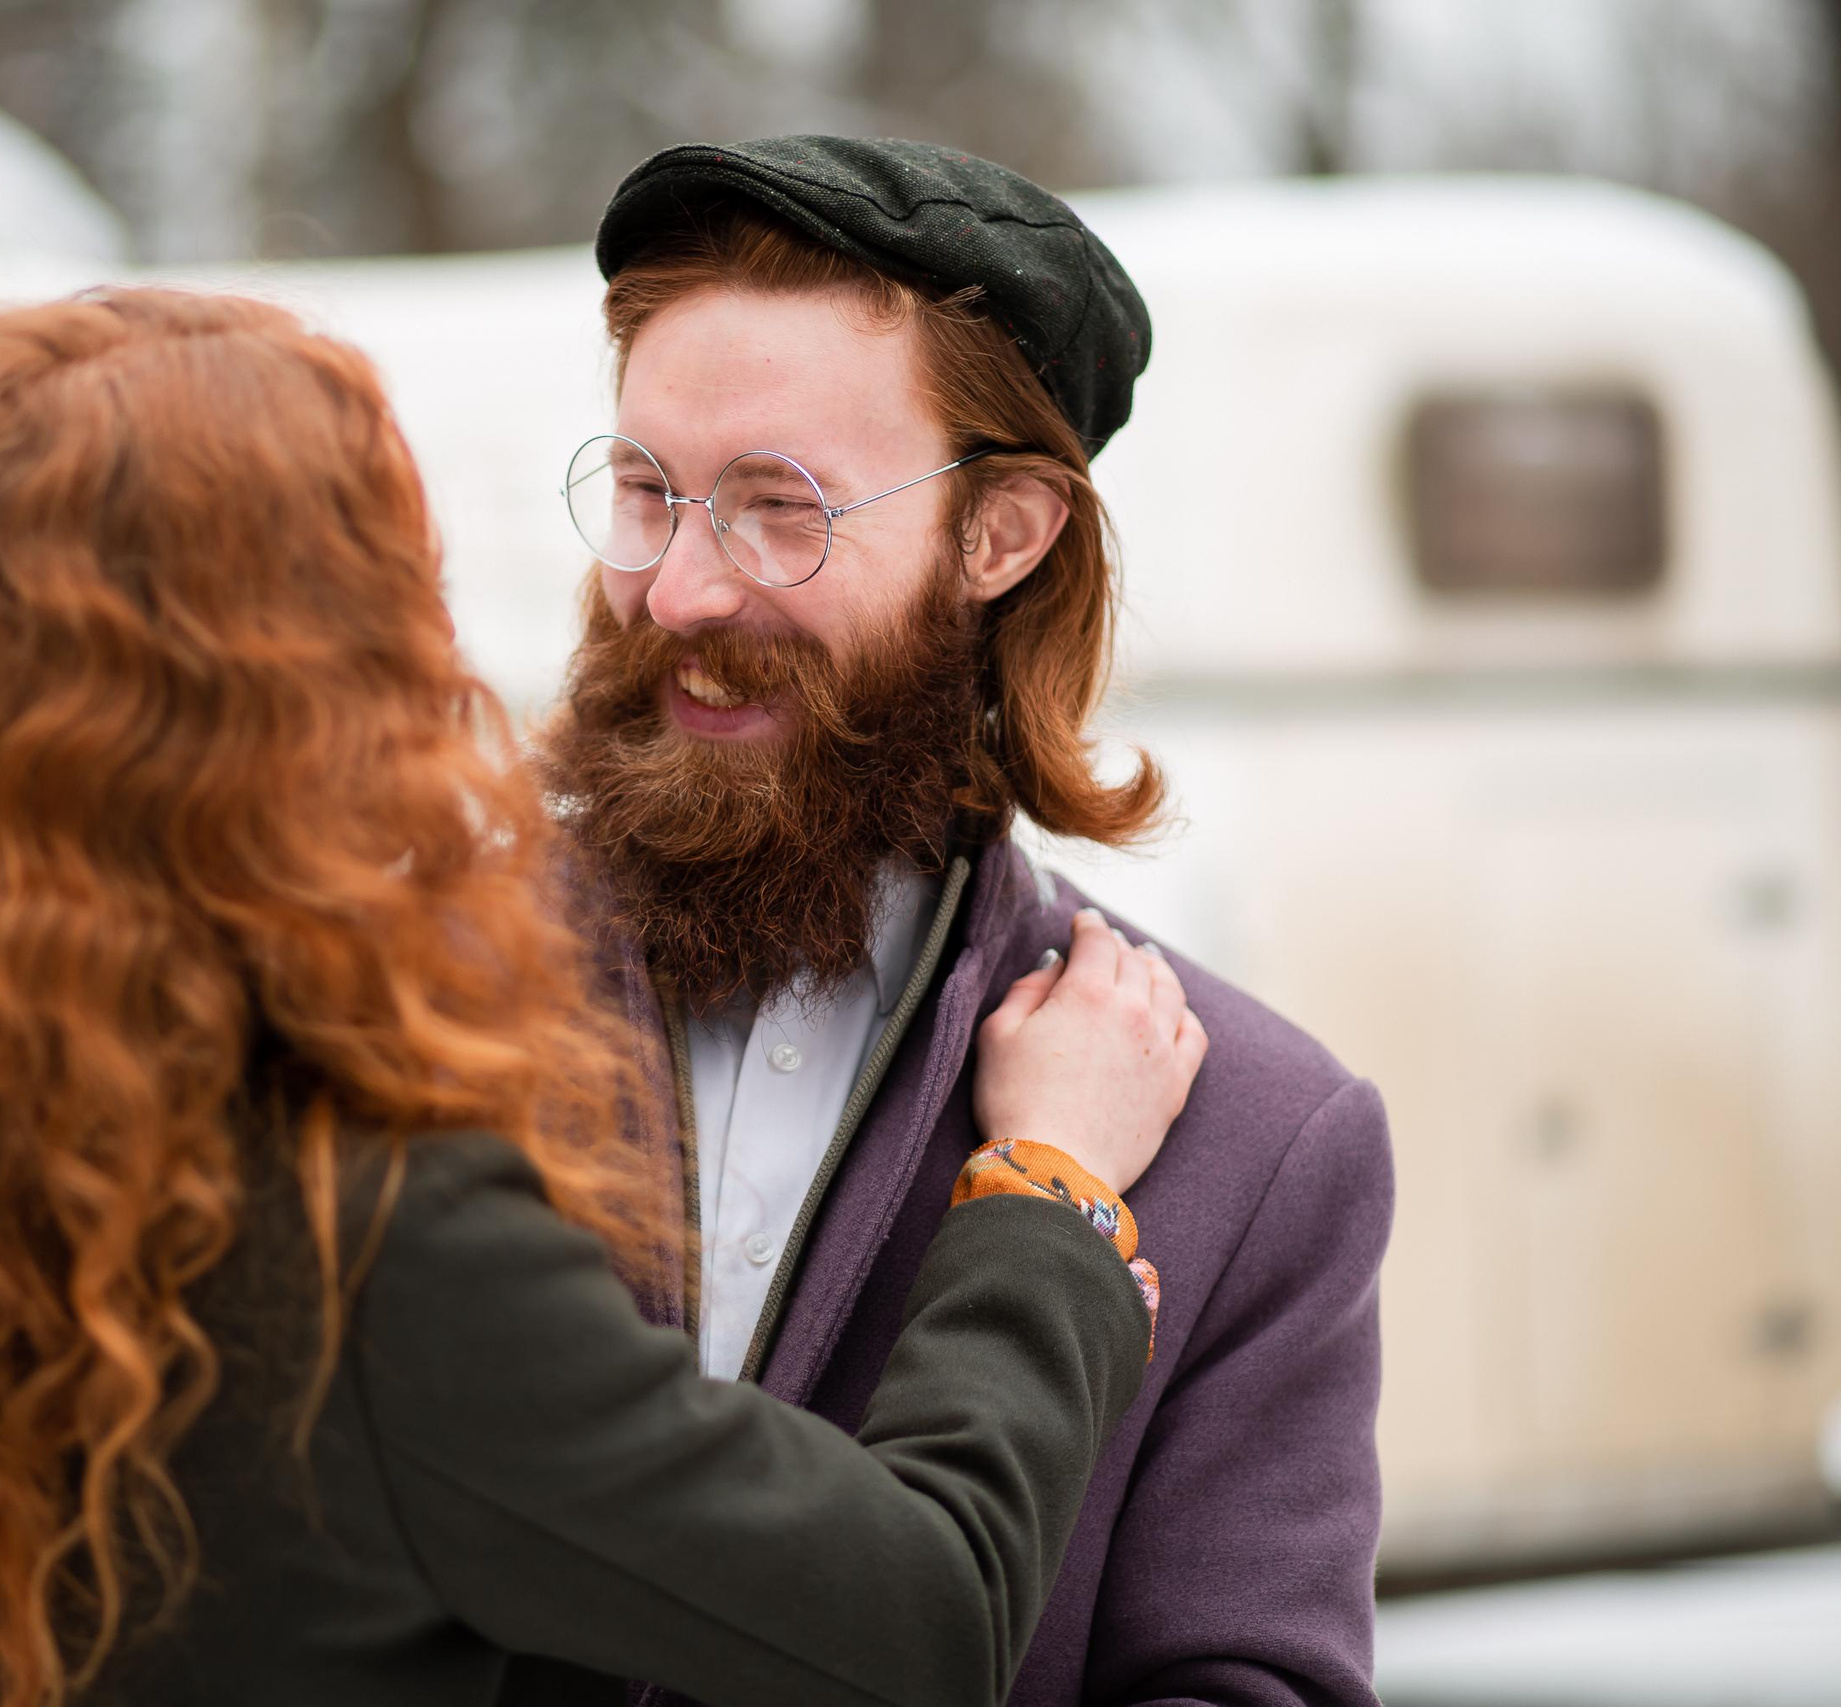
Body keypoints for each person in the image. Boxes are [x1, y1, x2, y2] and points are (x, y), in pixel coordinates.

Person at [0, 287, 1209, 1707]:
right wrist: (1044, 1199)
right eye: (388, 596)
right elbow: (919, 1617)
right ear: (272, 698)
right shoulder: (358, 1248)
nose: (449, 656)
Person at [536, 138, 1397, 1707]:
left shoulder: (1260, 1140)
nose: (677, 594)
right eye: (649, 492)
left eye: (778, 509)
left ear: (1001, 536)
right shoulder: (385, 998)